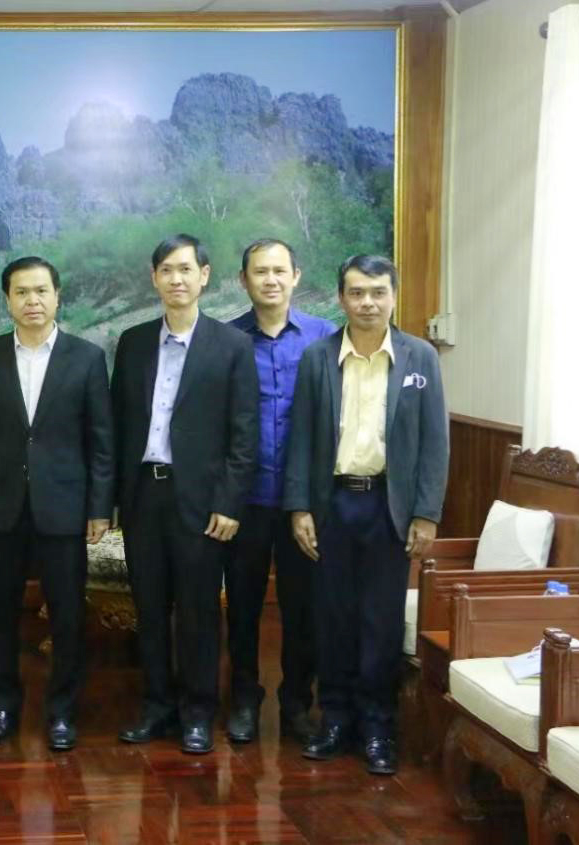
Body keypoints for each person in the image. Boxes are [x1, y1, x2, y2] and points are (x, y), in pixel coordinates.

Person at [284, 254, 448, 776]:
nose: (368, 303)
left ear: (394, 296)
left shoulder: (420, 357)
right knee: (332, 618)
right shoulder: (318, 358)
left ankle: (378, 726)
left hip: (389, 506)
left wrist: (426, 513)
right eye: (357, 293)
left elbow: (435, 443)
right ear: (342, 298)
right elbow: (300, 438)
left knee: (380, 622)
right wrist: (299, 507)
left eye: (378, 292)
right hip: (332, 504)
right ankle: (334, 719)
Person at [0, 255, 114, 752]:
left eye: (41, 291)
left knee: (67, 616)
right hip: (0, 508)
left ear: (57, 296)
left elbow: (101, 440)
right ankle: (1, 707)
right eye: (21, 292)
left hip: (64, 508)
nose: (32, 301)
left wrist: (99, 508)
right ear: (8, 300)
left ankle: (62, 711)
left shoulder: (86, 358)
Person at [111, 233, 258, 754]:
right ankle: (157, 707)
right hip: (143, 497)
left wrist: (229, 502)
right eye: (167, 270)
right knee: (149, 609)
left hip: (201, 502)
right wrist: (114, 501)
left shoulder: (232, 345)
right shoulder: (132, 342)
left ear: (204, 276)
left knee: (198, 611)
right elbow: (118, 425)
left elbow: (244, 433)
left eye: (185, 269)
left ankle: (198, 713)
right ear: (154, 278)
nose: (176, 279)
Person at [225, 239, 337, 744]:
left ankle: (296, 703)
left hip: (304, 504)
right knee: (242, 607)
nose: (270, 280)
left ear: (296, 276)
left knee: (303, 610)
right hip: (243, 500)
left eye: (279, 271)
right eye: (259, 271)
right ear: (243, 280)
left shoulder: (325, 338)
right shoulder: (226, 340)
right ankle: (244, 699)